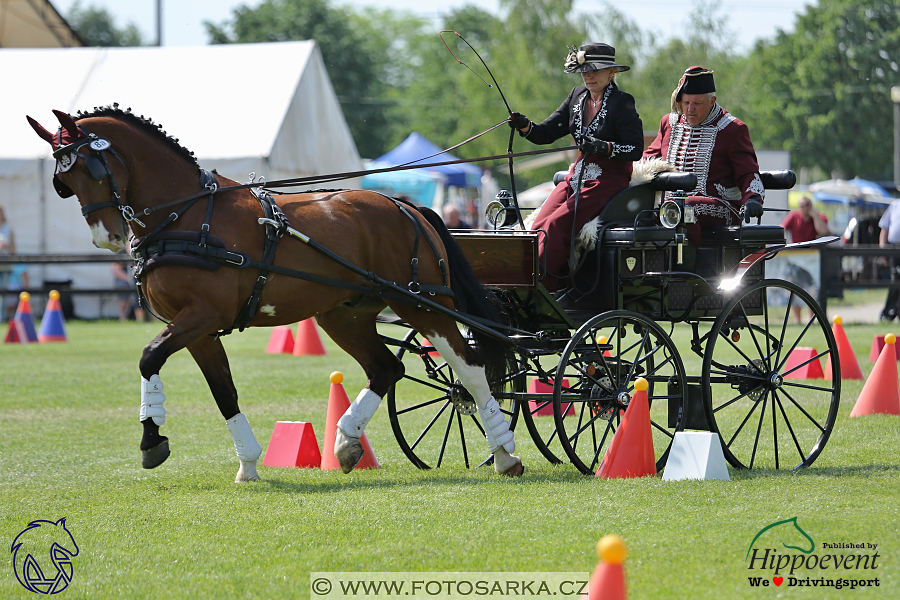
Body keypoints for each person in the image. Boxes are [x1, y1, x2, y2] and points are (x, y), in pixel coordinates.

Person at [509, 43, 644, 291]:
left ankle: (541, 289)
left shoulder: (622, 102)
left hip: (608, 180)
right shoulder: (576, 97)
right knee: (538, 223)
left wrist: (605, 147)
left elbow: (635, 149)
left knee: (556, 225)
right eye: (584, 70)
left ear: (611, 72)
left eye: (594, 70)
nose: (588, 76)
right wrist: (526, 126)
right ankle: (528, 280)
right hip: (576, 177)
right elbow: (547, 132)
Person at [643, 66, 765, 250]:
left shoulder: (732, 129)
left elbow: (748, 172)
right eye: (685, 103)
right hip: (669, 207)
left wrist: (753, 198)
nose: (690, 109)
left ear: (712, 101)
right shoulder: (668, 122)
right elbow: (648, 161)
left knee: (685, 207)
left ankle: (684, 272)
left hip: (722, 207)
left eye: (697, 103)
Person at [781, 196, 829, 323]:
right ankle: (797, 319)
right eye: (802, 205)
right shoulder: (793, 216)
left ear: (811, 205)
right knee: (794, 289)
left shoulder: (820, 217)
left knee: (811, 289)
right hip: (795, 259)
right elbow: (782, 229)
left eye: (807, 204)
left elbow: (823, 231)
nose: (805, 208)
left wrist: (814, 216)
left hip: (811, 260)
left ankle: (810, 318)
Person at [879, 199, 900, 320]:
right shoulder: (895, 205)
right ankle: (889, 312)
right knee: (895, 280)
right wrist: (883, 250)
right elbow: (884, 228)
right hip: (894, 248)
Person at [112, 251, 145, 322]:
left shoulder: (140, 250)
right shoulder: (121, 252)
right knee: (122, 285)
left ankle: (145, 319)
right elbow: (116, 270)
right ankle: (123, 317)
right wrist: (129, 279)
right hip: (127, 280)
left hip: (140, 278)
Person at [0, 206, 15, 321]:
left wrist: (6, 246)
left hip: (5, 265)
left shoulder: (8, 230)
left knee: (3, 293)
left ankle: (2, 317)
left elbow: (14, 251)